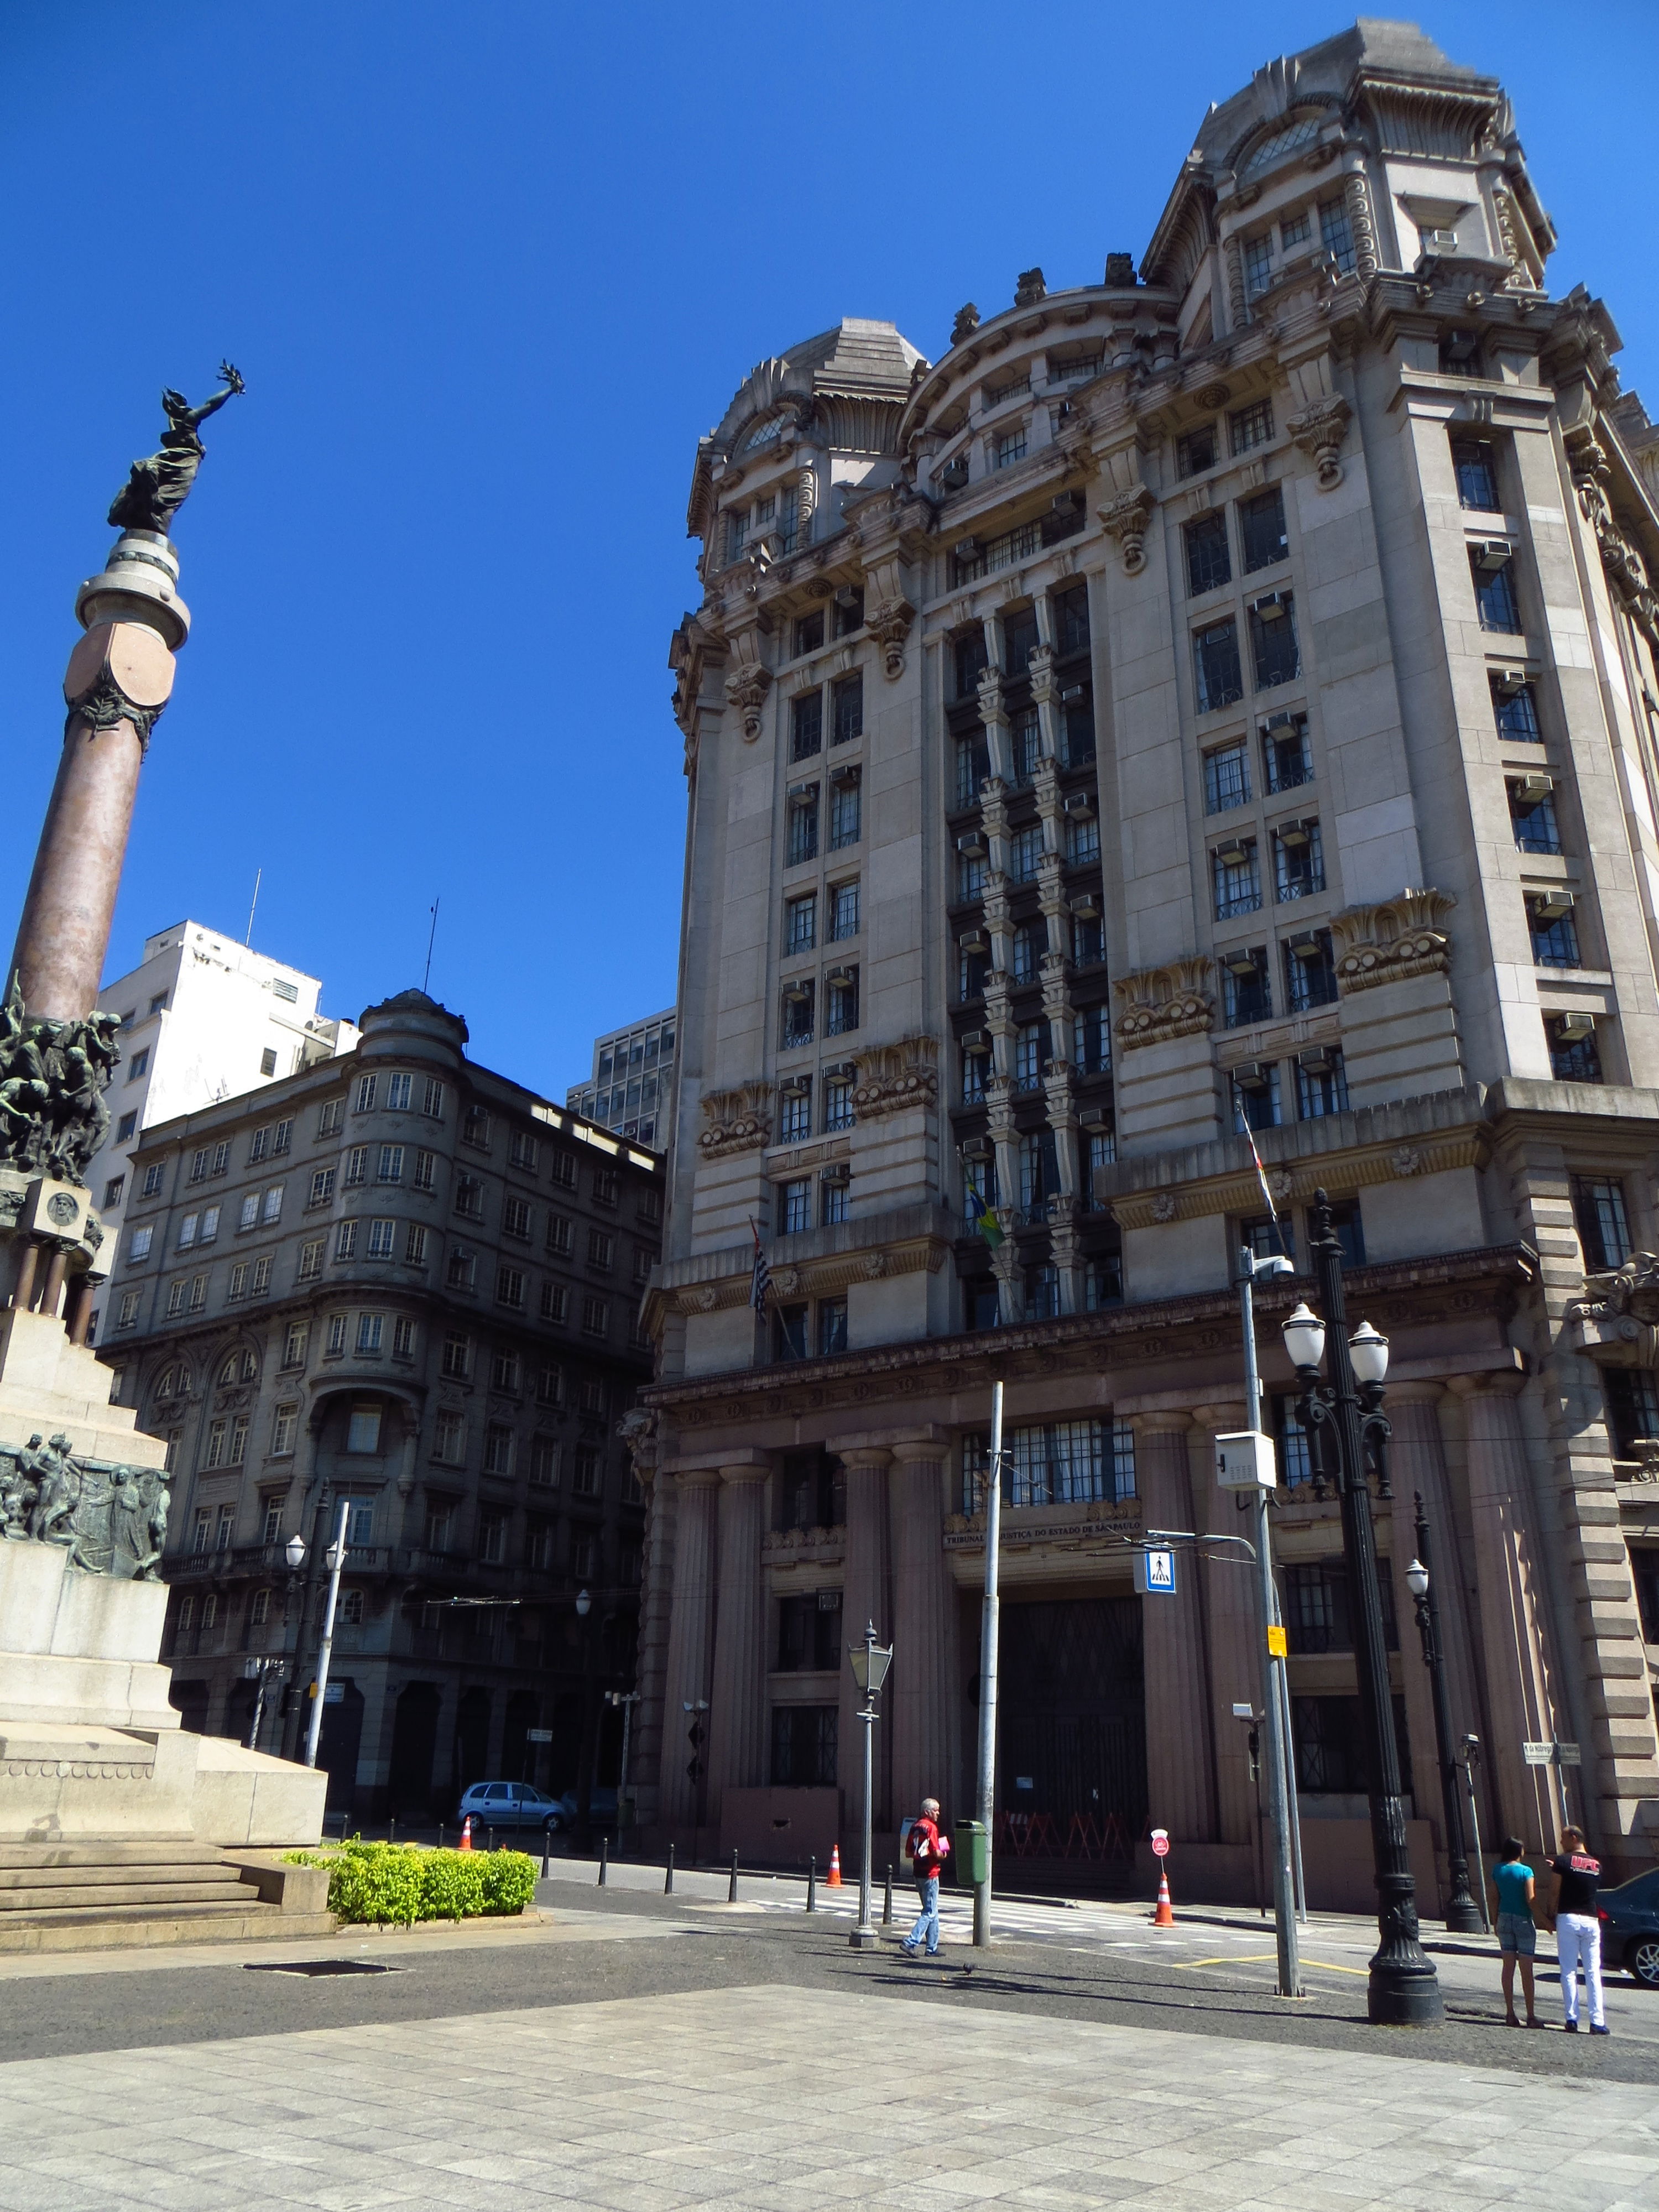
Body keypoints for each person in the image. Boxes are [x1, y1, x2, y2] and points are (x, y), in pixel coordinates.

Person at [1544, 1825, 1608, 2034]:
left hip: (1569, 1918)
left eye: (1563, 1838)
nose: (1561, 1843)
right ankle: (1597, 2022)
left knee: (1569, 1971)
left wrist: (1550, 1915)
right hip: (1591, 1919)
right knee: (1593, 1973)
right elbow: (1582, 1880)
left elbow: (1555, 1892)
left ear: (1573, 1838)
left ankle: (1572, 2019)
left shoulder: (1562, 1862)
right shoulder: (1596, 1865)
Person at [1490, 1838, 1540, 2027]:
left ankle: (1510, 2013)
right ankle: (1531, 2016)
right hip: (1523, 1920)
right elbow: (1531, 1899)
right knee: (1526, 1970)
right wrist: (1543, 1919)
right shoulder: (1526, 1871)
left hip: (1504, 1918)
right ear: (1520, 1851)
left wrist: (1495, 1921)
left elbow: (1493, 1897)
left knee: (1508, 1967)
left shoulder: (1498, 1870)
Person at [900, 1797, 951, 1958]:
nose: (938, 1813)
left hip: (918, 1872)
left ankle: (932, 1947)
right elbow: (936, 1852)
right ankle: (911, 1942)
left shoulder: (915, 1827)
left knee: (932, 1910)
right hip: (931, 1872)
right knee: (929, 1912)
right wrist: (944, 1854)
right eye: (936, 1810)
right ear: (927, 1812)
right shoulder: (932, 1828)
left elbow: (908, 1853)